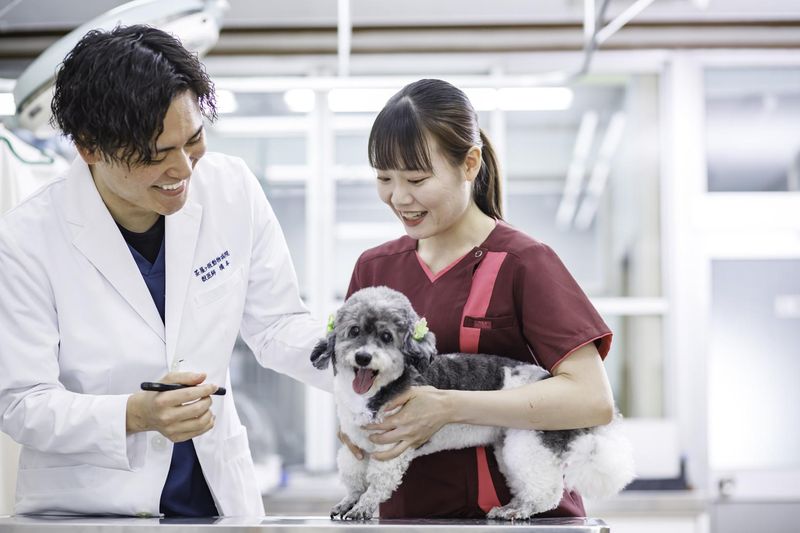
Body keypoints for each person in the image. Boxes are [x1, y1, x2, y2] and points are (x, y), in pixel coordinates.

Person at [0, 25, 329, 517]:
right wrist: (134, 415)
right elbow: (22, 402)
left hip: (217, 500)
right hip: (90, 509)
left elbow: (278, 324)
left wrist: (368, 368)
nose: (184, 170)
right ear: (90, 147)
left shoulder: (231, 188)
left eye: (193, 140)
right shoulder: (25, 240)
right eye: (156, 156)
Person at [345, 78, 615, 518]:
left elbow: (591, 401)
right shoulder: (375, 269)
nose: (399, 197)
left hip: (515, 519)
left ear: (470, 164)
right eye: (384, 178)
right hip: (406, 516)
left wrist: (450, 407)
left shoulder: (525, 263)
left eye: (416, 178)